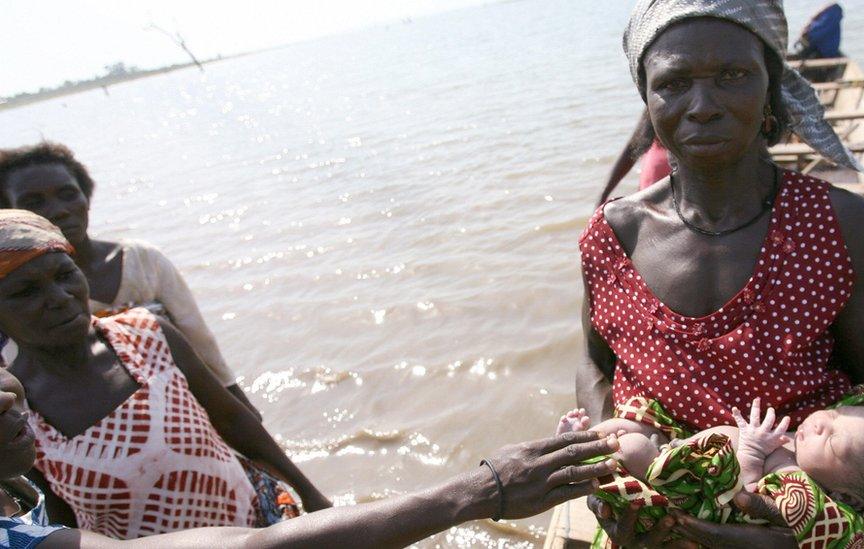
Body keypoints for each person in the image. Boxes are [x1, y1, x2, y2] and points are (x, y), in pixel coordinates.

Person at [577, 1, 864, 546]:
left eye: (733, 76)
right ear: (647, 99)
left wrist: (806, 527)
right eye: (674, 83)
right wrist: (610, 457)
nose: (703, 105)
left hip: (789, 513)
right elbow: (593, 361)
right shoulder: (612, 235)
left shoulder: (840, 224)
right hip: (655, 514)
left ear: (771, 87)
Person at [0, 366, 620, 548]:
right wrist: (481, 491)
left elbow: (238, 421)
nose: (10, 398)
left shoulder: (22, 532)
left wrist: (315, 500)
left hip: (264, 515)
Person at [0, 210, 329, 538]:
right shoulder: (15, 409)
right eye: (25, 292)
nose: (59, 297)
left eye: (65, 274)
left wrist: (313, 497)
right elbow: (61, 523)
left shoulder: (148, 334)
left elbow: (234, 422)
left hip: (256, 524)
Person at [0, 142, 259, 417]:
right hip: (105, 425)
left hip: (198, 405)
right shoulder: (18, 299)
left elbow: (199, 338)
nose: (59, 210)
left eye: (68, 194)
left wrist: (240, 404)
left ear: (86, 197)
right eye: (33, 202)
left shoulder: (142, 261)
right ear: (10, 215)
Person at [556, 396, 864, 522]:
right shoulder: (800, 444)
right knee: (629, 417)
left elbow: (746, 495)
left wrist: (753, 451)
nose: (822, 423)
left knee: (633, 448)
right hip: (680, 445)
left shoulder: (796, 478)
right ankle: (579, 441)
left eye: (835, 444)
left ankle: (580, 454)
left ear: (847, 497)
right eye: (838, 416)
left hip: (680, 479)